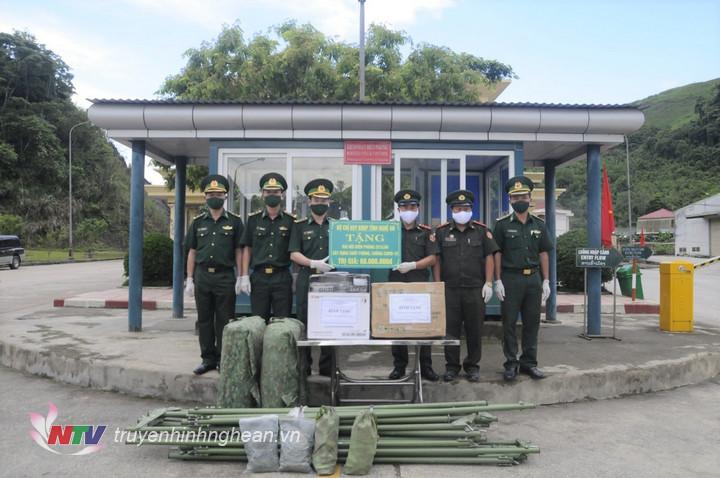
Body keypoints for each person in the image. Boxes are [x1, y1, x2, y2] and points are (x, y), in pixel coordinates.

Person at [493, 175, 553, 381]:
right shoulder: (501, 225)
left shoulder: (539, 224)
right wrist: (497, 279)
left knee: (532, 323)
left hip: (533, 280)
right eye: (515, 197)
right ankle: (511, 363)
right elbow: (497, 253)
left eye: (523, 196)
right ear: (510, 200)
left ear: (530, 198)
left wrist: (546, 280)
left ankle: (529, 363)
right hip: (510, 279)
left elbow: (544, 252)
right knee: (509, 323)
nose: (520, 200)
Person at [434, 189, 497, 382]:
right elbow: (437, 260)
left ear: (472, 209)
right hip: (450, 289)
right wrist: (437, 285)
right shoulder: (442, 231)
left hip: (475, 289)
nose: (463, 211)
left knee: (474, 329)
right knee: (450, 331)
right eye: (459, 208)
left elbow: (489, 256)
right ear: (452, 210)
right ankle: (452, 366)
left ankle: (472, 366)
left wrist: (489, 282)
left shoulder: (481, 230)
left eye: (466, 207)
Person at [184, 174, 244, 375]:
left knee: (224, 320)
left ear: (225, 196)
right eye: (210, 194)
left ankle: (222, 358)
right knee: (204, 319)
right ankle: (207, 359)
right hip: (203, 276)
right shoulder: (198, 222)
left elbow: (239, 250)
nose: (214, 197)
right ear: (205, 197)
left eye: (218, 194)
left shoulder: (235, 222)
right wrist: (189, 279)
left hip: (225, 276)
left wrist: (241, 276)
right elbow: (192, 251)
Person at [387, 189, 440, 382]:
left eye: (412, 206)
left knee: (423, 326)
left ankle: (425, 366)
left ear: (418, 208)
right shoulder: (388, 231)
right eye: (404, 207)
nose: (408, 210)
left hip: (419, 284)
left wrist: (413, 265)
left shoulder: (427, 232)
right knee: (397, 326)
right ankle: (399, 366)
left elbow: (433, 258)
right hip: (396, 283)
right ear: (398, 209)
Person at [289, 179, 336, 376]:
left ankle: (326, 367)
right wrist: (312, 263)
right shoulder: (299, 226)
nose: (320, 203)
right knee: (304, 322)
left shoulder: (336, 226)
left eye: (324, 200)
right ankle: (304, 366)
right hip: (307, 278)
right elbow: (293, 253)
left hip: (330, 279)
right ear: (309, 201)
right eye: (317, 199)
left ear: (329, 203)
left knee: (330, 322)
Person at [238, 173, 295, 319]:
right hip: (259, 277)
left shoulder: (290, 221)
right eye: (268, 191)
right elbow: (247, 249)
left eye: (276, 192)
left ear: (282, 195)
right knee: (258, 321)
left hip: (281, 276)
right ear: (262, 194)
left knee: (283, 322)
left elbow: (295, 250)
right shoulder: (253, 220)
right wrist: (244, 276)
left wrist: (295, 276)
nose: (272, 195)